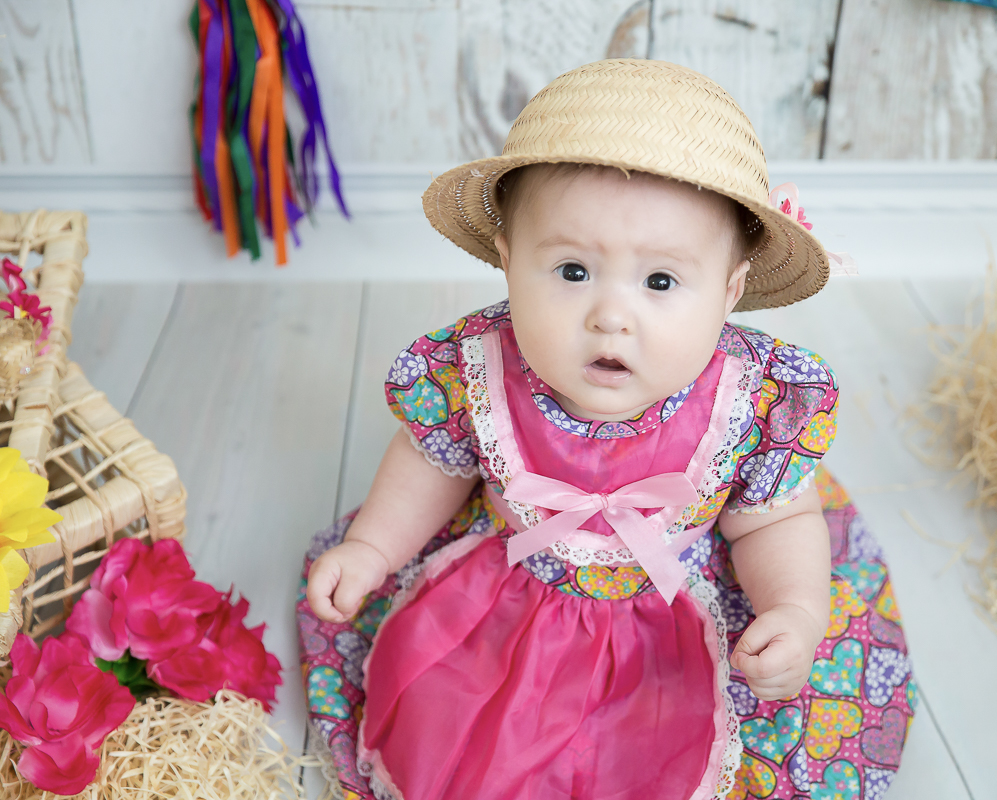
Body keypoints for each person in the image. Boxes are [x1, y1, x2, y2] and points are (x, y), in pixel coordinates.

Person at [298, 59, 914, 800]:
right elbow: (432, 462)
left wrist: (795, 609)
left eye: (660, 282)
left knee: (698, 746)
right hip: (511, 593)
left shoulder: (750, 403)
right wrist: (372, 546)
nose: (610, 316)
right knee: (461, 729)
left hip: (677, 609)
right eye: (570, 271)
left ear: (729, 291)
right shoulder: (476, 368)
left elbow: (770, 524)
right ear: (507, 260)